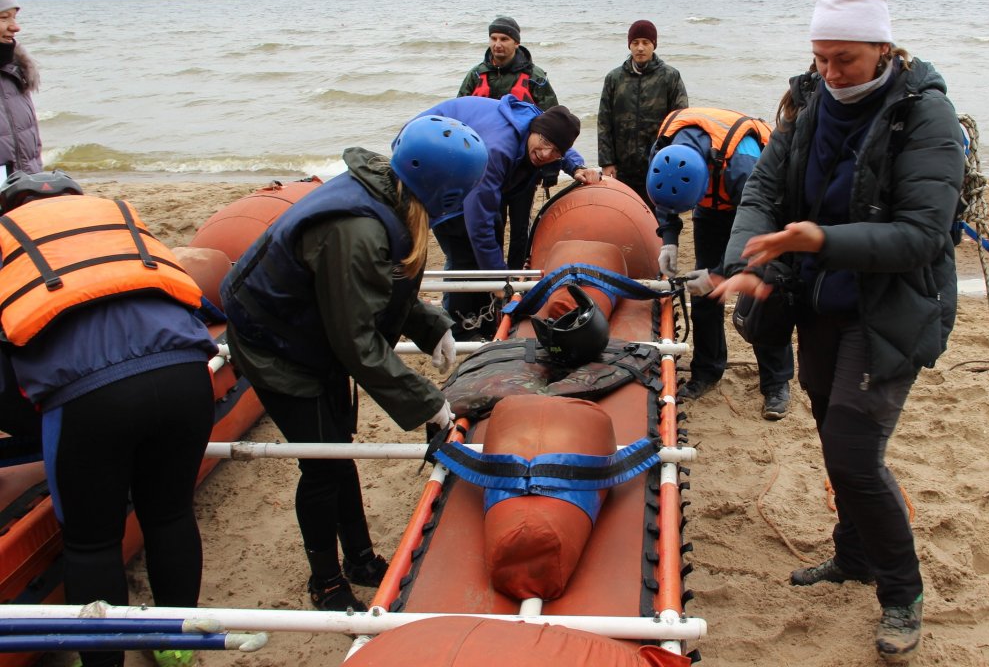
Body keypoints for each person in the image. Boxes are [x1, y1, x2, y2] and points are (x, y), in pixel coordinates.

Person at [711, 0, 965, 662]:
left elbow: (923, 232)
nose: (831, 72)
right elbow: (763, 188)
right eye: (820, 58)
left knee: (855, 455)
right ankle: (851, 555)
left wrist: (820, 238)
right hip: (817, 302)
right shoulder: (807, 100)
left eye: (845, 58)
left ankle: (903, 594)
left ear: (883, 47)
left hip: (887, 309)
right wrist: (745, 263)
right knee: (832, 434)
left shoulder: (926, 113)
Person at [220, 122, 488, 612]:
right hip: (275, 341)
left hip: (313, 329)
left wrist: (432, 326)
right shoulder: (356, 230)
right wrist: (432, 405)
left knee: (338, 447)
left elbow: (381, 291)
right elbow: (357, 338)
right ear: (443, 191)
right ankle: (325, 581)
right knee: (322, 462)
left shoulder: (392, 195)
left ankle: (361, 558)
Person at [0, 170, 217, 667]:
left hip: (91, 398)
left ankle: (105, 661)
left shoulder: (6, 241)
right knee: (170, 514)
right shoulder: (121, 221)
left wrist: (37, 426)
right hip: (187, 376)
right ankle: (175, 644)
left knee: (92, 542)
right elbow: (198, 304)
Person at [398, 96, 600, 341]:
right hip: (427, 153)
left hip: (465, 153)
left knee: (488, 241)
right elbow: (478, 223)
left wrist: (576, 166)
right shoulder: (497, 150)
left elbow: (558, 140)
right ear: (533, 131)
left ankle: (483, 321)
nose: (546, 153)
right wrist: (498, 279)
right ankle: (460, 330)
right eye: (543, 142)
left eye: (555, 151)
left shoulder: (536, 126)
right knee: (462, 249)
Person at [646, 109, 793, 418]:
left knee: (761, 293)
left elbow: (760, 223)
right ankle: (707, 371)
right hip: (713, 207)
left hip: (757, 206)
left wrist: (719, 274)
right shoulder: (664, 149)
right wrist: (669, 238)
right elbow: (664, 199)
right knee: (704, 295)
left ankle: (776, 382)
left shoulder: (743, 165)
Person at [458, 15, 561, 269]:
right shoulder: (476, 76)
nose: (497, 44)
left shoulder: (535, 77)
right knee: (491, 223)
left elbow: (553, 121)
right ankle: (492, 275)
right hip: (485, 167)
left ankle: (515, 277)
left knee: (519, 229)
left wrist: (550, 168)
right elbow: (460, 116)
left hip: (523, 169)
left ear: (516, 42)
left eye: (504, 39)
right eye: (493, 38)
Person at [597, 20, 688, 209]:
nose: (640, 48)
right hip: (623, 166)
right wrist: (607, 162)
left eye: (646, 42)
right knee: (624, 213)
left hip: (659, 164)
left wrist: (676, 160)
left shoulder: (670, 77)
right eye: (635, 42)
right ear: (629, 44)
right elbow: (604, 122)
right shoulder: (614, 78)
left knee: (659, 217)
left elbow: (681, 121)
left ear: (654, 44)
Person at [0, 0, 44, 175]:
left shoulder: (16, 70)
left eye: (14, 17)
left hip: (23, 192)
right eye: (3, 18)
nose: (15, 26)